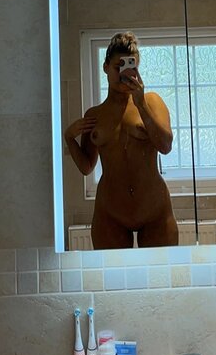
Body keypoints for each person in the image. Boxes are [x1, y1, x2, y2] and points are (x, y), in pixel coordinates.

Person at [64, 32, 179, 249]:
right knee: (111, 272)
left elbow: (165, 146)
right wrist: (69, 137)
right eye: (118, 67)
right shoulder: (95, 115)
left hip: (154, 209)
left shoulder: (152, 102)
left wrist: (141, 104)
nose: (123, 73)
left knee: (161, 271)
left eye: (130, 66)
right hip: (110, 213)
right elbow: (86, 167)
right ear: (105, 67)